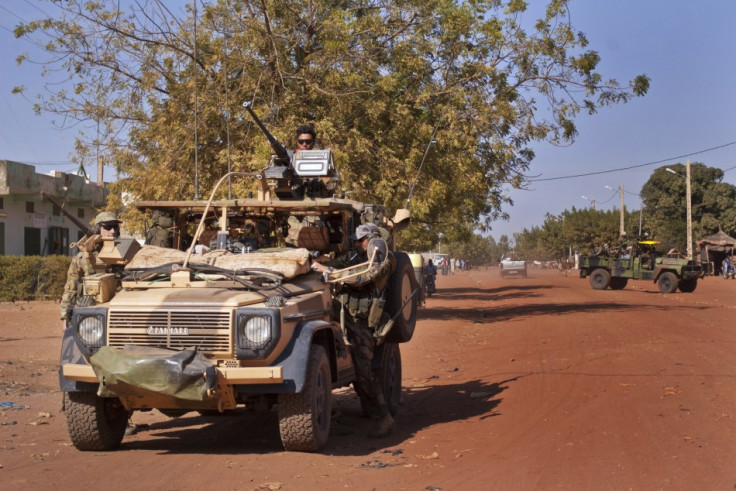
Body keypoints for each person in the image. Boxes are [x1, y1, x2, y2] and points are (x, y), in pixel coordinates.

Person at [311, 223, 396, 438]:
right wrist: (318, 263)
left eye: (361, 240)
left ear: (373, 239)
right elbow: (337, 264)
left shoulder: (384, 261)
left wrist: (328, 271)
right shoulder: (356, 257)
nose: (357, 243)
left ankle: (383, 416)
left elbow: (361, 279)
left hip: (362, 324)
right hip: (343, 317)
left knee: (365, 373)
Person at [59, 211, 121, 328]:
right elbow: (71, 287)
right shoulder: (82, 258)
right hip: (91, 313)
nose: (112, 231)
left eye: (115, 227)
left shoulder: (125, 253)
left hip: (118, 311)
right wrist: (65, 316)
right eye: (108, 227)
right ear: (98, 229)